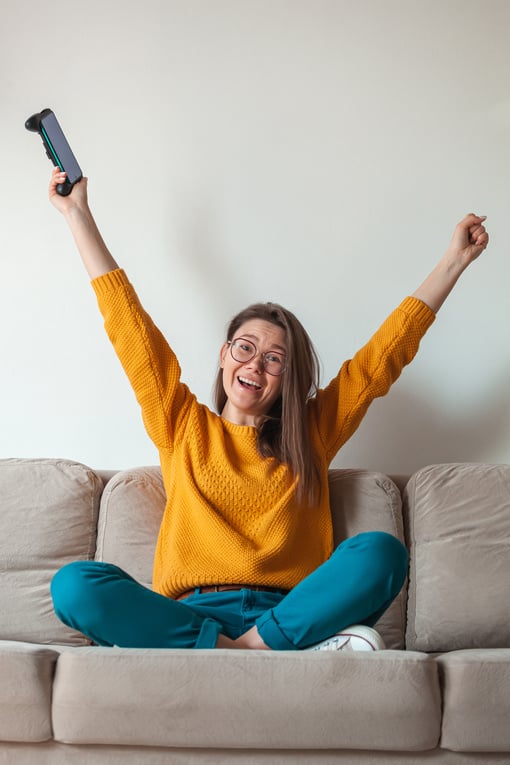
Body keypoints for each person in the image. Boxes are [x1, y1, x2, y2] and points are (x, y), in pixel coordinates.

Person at [48, 167, 489, 652]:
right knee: (74, 585)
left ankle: (249, 647)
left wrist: (454, 260)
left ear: (287, 378)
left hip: (288, 613)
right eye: (245, 347)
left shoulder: (312, 433)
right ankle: (248, 651)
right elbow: (129, 328)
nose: (255, 364)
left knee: (382, 552)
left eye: (274, 358)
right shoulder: (182, 425)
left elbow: (382, 359)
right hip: (191, 614)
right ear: (224, 355)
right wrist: (77, 213)